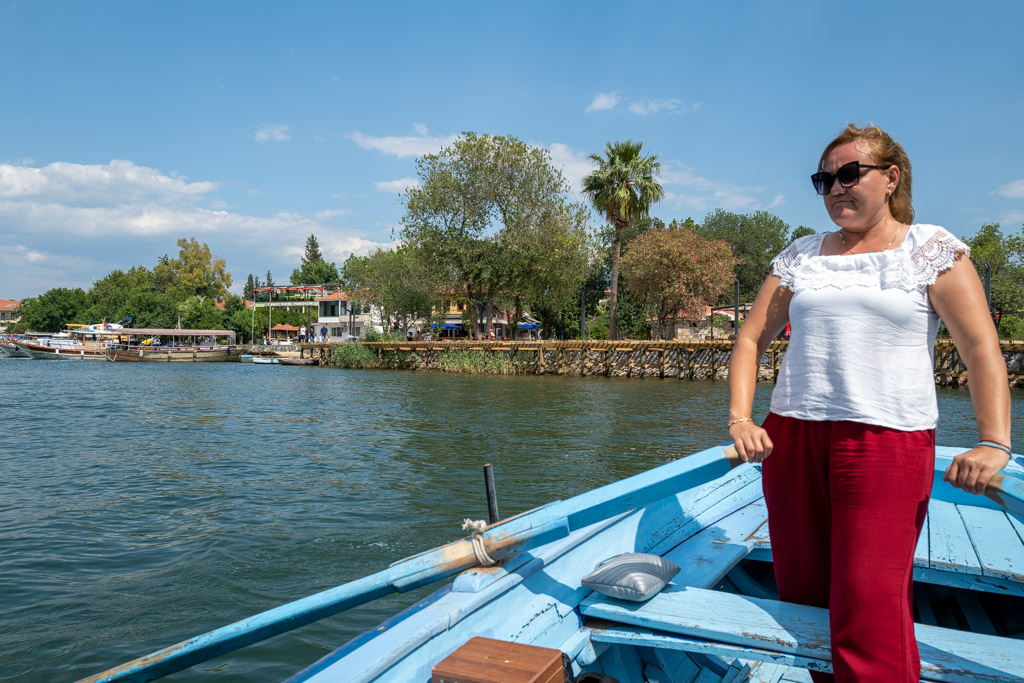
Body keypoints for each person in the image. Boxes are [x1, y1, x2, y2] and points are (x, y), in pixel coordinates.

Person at [727, 123, 1011, 682]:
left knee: (868, 610)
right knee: (803, 599)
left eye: (849, 174)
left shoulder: (930, 249)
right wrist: (740, 418)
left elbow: (980, 347)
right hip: (792, 436)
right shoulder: (801, 256)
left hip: (886, 441)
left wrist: (994, 441)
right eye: (824, 179)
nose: (836, 187)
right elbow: (749, 338)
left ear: (891, 178)